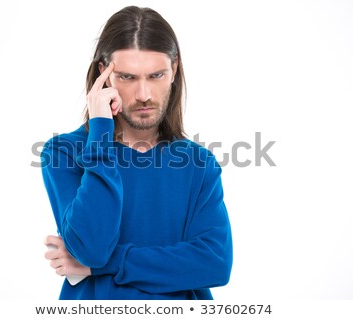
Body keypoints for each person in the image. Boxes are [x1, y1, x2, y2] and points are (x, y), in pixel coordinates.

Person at [40, 5, 233, 300]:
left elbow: (214, 264)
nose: (144, 94)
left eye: (155, 75)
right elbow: (92, 248)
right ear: (104, 74)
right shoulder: (64, 152)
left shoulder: (198, 162)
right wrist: (100, 128)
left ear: (174, 70)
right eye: (128, 77)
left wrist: (104, 266)